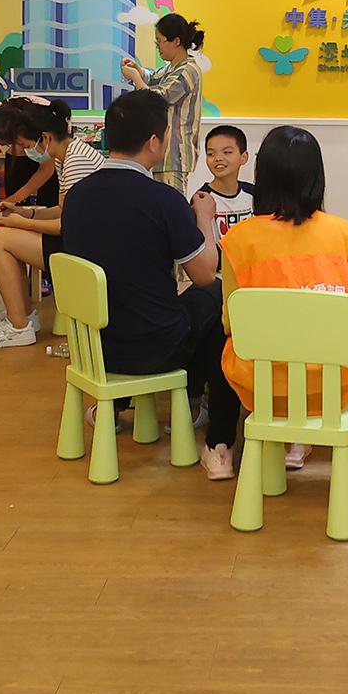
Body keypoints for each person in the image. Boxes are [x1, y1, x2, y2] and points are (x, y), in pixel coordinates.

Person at [59, 89, 236, 474]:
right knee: (216, 296)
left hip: (93, 348)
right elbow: (204, 273)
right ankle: (197, 404)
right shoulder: (164, 200)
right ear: (155, 141)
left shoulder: (77, 196)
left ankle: (126, 405)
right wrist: (204, 218)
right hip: (154, 349)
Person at [218, 125, 348, 480]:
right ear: (317, 177)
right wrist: (339, 339)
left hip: (261, 388)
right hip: (331, 386)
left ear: (262, 176)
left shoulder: (237, 241)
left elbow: (231, 322)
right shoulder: (345, 234)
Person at [0, 97, 105, 348]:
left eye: (26, 146)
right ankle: (22, 316)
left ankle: (19, 326)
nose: (26, 152)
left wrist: (19, 223)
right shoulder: (67, 155)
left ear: (44, 138)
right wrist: (25, 214)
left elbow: (64, 225)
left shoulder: (76, 160)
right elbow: (63, 211)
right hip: (81, 240)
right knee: (4, 237)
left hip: (86, 249)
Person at [120, 12, 205, 191]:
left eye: (160, 41)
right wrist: (138, 69)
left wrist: (135, 77)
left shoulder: (188, 70)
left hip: (175, 153)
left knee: (171, 203)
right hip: (163, 154)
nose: (158, 46)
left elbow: (158, 98)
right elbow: (152, 78)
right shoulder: (171, 68)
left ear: (176, 41)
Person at [200, 124, 256, 236]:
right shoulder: (202, 198)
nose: (218, 158)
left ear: (244, 157)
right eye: (211, 154)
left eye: (227, 152)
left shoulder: (254, 194)